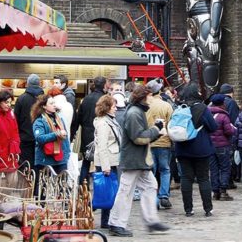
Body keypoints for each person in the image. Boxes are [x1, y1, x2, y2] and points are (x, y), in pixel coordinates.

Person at [108, 85, 170, 237]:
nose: (152, 98)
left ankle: (151, 221)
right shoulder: (135, 113)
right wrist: (156, 129)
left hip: (138, 160)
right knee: (125, 192)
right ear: (143, 97)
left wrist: (155, 129)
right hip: (133, 160)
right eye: (149, 96)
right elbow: (139, 138)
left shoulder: (137, 111)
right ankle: (116, 223)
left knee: (149, 186)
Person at [174, 82, 218, 217]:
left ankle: (188, 209)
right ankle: (208, 209)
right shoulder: (203, 108)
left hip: (182, 148)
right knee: (204, 178)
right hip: (201, 148)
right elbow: (213, 127)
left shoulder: (180, 108)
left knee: (186, 179)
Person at [93, 95, 123, 229]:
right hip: (107, 162)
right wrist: (105, 167)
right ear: (107, 108)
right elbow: (102, 146)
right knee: (108, 191)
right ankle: (105, 219)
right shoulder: (103, 123)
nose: (116, 109)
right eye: (113, 106)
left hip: (111, 160)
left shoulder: (110, 120)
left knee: (109, 191)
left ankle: (107, 219)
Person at [145, 78, 174, 209]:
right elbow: (171, 125)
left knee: (152, 172)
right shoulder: (167, 106)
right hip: (164, 142)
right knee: (165, 170)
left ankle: (153, 198)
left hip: (149, 142)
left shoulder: (145, 106)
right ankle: (163, 196)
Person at [73, 76, 107, 185]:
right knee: (101, 163)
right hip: (100, 134)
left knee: (86, 162)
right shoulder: (105, 99)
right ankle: (99, 187)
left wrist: (73, 133)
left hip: (86, 135)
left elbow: (78, 118)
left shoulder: (86, 99)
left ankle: (83, 187)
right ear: (104, 85)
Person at [32, 95, 71, 188]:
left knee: (62, 188)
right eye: (51, 103)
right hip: (45, 159)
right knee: (42, 188)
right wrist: (56, 134)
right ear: (44, 106)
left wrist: (67, 153)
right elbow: (39, 138)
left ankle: (63, 202)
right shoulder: (39, 121)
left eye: (54, 103)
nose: (54, 105)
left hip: (61, 158)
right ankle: (39, 203)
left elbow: (65, 138)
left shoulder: (59, 119)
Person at [208, 93, 236, 201]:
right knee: (224, 168)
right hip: (222, 145)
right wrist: (234, 130)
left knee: (213, 169)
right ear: (222, 103)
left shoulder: (208, 114)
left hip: (210, 146)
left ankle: (215, 192)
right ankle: (223, 191)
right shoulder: (223, 115)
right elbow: (228, 130)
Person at [15, 74, 45, 167]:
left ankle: (26, 181)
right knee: (39, 164)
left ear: (27, 84)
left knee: (25, 164)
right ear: (39, 84)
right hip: (41, 137)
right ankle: (36, 181)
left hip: (25, 137)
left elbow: (16, 118)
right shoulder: (44, 99)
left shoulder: (21, 98)